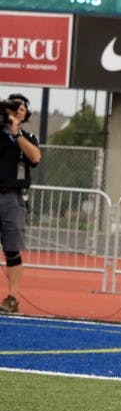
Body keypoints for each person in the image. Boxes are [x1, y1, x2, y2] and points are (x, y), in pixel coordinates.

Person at [0, 94, 39, 314]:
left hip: (12, 197)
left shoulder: (28, 136)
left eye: (21, 107)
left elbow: (35, 158)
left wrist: (16, 132)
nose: (17, 110)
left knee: (12, 249)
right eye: (13, 106)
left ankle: (13, 298)